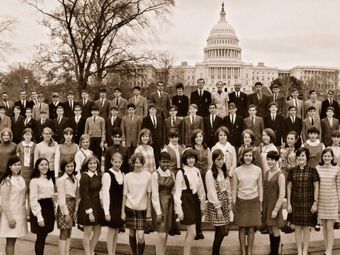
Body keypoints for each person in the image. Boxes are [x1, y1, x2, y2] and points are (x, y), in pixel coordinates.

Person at [287, 147, 319, 255]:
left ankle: (305, 251)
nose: (301, 157)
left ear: (307, 157)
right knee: (297, 228)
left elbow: (316, 188)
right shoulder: (292, 171)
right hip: (295, 203)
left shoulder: (312, 170)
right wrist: (288, 204)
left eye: (303, 155)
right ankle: (299, 251)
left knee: (306, 228)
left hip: (308, 203)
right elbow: (289, 188)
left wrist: (315, 203)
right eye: (299, 155)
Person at [174, 149, 206, 255]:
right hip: (185, 202)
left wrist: (202, 204)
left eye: (192, 158)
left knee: (190, 232)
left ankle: (186, 253)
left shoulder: (197, 171)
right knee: (193, 232)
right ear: (185, 159)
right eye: (188, 158)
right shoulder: (181, 172)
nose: (191, 160)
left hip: (195, 201)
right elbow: (177, 192)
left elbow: (201, 189)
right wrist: (179, 210)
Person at [233, 147, 263, 255]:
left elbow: (260, 188)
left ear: (253, 157)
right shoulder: (237, 170)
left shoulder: (258, 170)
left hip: (254, 200)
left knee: (251, 228)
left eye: (250, 156)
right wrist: (233, 203)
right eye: (246, 156)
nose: (248, 158)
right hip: (241, 201)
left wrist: (260, 202)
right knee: (241, 227)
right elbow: (234, 188)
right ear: (242, 157)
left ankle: (249, 252)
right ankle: (243, 251)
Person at [121, 153, 152, 255]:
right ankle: (134, 253)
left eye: (140, 162)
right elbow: (125, 195)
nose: (138, 164)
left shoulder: (148, 175)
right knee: (131, 233)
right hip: (130, 207)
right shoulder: (127, 176)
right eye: (136, 162)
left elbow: (149, 194)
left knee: (141, 236)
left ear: (143, 163)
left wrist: (149, 210)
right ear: (132, 163)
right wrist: (123, 211)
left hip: (142, 209)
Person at [205, 149, 232, 255]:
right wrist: (218, 207)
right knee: (221, 232)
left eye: (222, 159)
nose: (221, 161)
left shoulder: (223, 171)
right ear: (213, 160)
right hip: (216, 203)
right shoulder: (210, 173)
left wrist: (229, 201)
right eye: (218, 159)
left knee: (219, 231)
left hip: (224, 201)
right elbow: (211, 191)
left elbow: (227, 187)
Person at [0, 156, 27, 255]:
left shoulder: (20, 178)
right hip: (10, 215)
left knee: (14, 241)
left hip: (19, 214)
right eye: (15, 165)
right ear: (10, 167)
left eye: (19, 164)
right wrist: (10, 218)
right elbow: (4, 202)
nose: (17, 167)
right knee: (10, 242)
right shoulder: (7, 181)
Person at [77, 155, 104, 255]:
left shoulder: (98, 175)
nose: (93, 165)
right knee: (87, 233)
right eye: (90, 163)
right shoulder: (84, 177)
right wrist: (90, 213)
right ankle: (87, 253)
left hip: (97, 206)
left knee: (97, 232)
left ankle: (92, 251)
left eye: (94, 163)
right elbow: (84, 195)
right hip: (87, 207)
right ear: (86, 165)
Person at [316, 148, 340, 255]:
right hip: (321, 201)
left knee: (330, 227)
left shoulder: (337, 169)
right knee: (324, 227)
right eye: (325, 156)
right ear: (322, 157)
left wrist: (339, 201)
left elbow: (339, 186)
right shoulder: (317, 168)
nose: (327, 158)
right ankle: (326, 248)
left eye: (329, 156)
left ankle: (329, 250)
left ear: (332, 157)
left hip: (332, 201)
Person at [151, 151, 176, 255]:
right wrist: (158, 212)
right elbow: (154, 194)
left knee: (165, 234)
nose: (165, 164)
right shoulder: (155, 175)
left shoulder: (171, 174)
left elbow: (174, 189)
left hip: (169, 204)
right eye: (163, 162)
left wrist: (174, 205)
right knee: (161, 234)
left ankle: (162, 253)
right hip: (160, 204)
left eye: (167, 162)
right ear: (159, 162)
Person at [29, 158, 55, 255]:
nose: (44, 167)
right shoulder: (34, 181)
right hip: (40, 208)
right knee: (40, 237)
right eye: (41, 165)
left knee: (44, 235)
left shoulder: (49, 178)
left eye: (46, 164)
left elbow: (51, 194)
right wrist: (39, 217)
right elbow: (33, 199)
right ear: (37, 167)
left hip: (48, 208)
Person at [262, 151, 285, 255]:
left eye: (272, 160)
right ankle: (272, 251)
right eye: (268, 159)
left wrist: (276, 209)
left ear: (276, 161)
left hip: (274, 206)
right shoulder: (267, 173)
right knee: (270, 228)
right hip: (267, 205)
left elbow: (282, 194)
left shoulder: (280, 175)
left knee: (275, 229)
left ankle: (275, 253)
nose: (269, 162)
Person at [102, 152, 125, 255]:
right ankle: (110, 253)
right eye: (115, 162)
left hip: (119, 207)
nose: (117, 164)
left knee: (116, 231)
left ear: (122, 162)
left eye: (119, 162)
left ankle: (113, 252)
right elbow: (105, 193)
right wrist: (106, 211)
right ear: (111, 162)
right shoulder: (107, 175)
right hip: (111, 207)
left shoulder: (122, 174)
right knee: (111, 231)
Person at [56, 159, 78, 255]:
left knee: (69, 231)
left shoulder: (75, 179)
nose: (70, 168)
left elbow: (76, 195)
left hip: (73, 205)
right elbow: (61, 199)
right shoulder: (61, 180)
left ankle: (66, 253)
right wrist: (66, 214)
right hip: (64, 206)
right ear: (64, 167)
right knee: (64, 232)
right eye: (67, 166)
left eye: (71, 166)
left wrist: (75, 210)